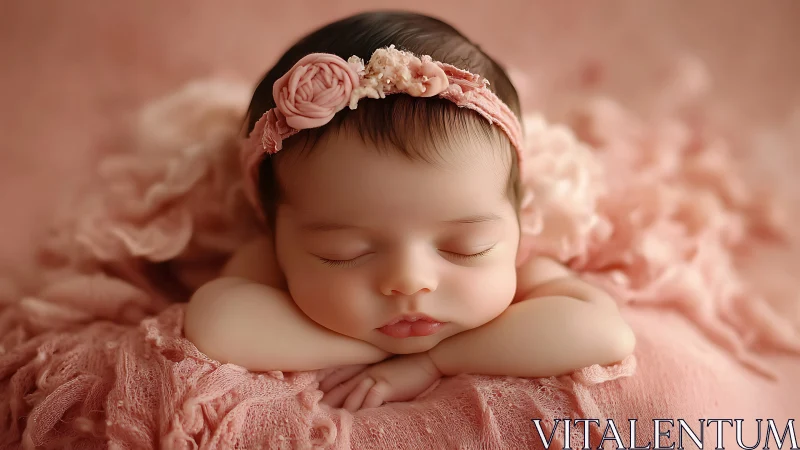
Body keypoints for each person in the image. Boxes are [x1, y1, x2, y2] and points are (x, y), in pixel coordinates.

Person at [184, 11, 635, 412]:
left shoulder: (526, 260)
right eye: (342, 251)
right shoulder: (268, 259)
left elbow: (602, 332)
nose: (409, 280)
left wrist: (435, 359)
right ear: (276, 230)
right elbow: (217, 322)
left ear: (517, 220)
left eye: (466, 247)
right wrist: (369, 350)